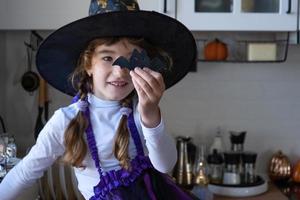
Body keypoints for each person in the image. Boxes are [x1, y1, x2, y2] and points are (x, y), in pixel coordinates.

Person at [0, 0, 197, 199]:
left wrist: (151, 115)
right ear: (88, 65)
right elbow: (24, 173)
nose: (120, 71)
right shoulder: (66, 120)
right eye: (107, 58)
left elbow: (165, 165)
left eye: (131, 58)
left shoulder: (140, 110)